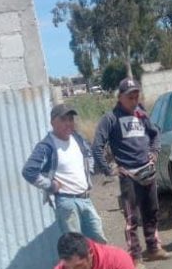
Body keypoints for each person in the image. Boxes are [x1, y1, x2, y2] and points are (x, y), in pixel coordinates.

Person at [91, 78, 171, 269]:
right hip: (129, 175)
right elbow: (97, 147)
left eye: (136, 96)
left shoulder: (141, 114)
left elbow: (155, 134)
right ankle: (135, 258)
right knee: (132, 218)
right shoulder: (110, 118)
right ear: (120, 97)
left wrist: (154, 151)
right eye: (130, 97)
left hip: (147, 171)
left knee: (151, 211)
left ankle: (153, 248)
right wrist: (109, 169)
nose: (134, 100)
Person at [22, 103, 111, 244]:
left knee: (98, 240)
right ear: (52, 122)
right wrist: (50, 185)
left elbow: (88, 155)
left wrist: (89, 172)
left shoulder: (77, 138)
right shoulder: (46, 146)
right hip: (66, 201)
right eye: (63, 119)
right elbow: (29, 171)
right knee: (76, 246)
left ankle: (100, 266)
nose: (68, 123)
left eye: (70, 119)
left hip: (85, 197)